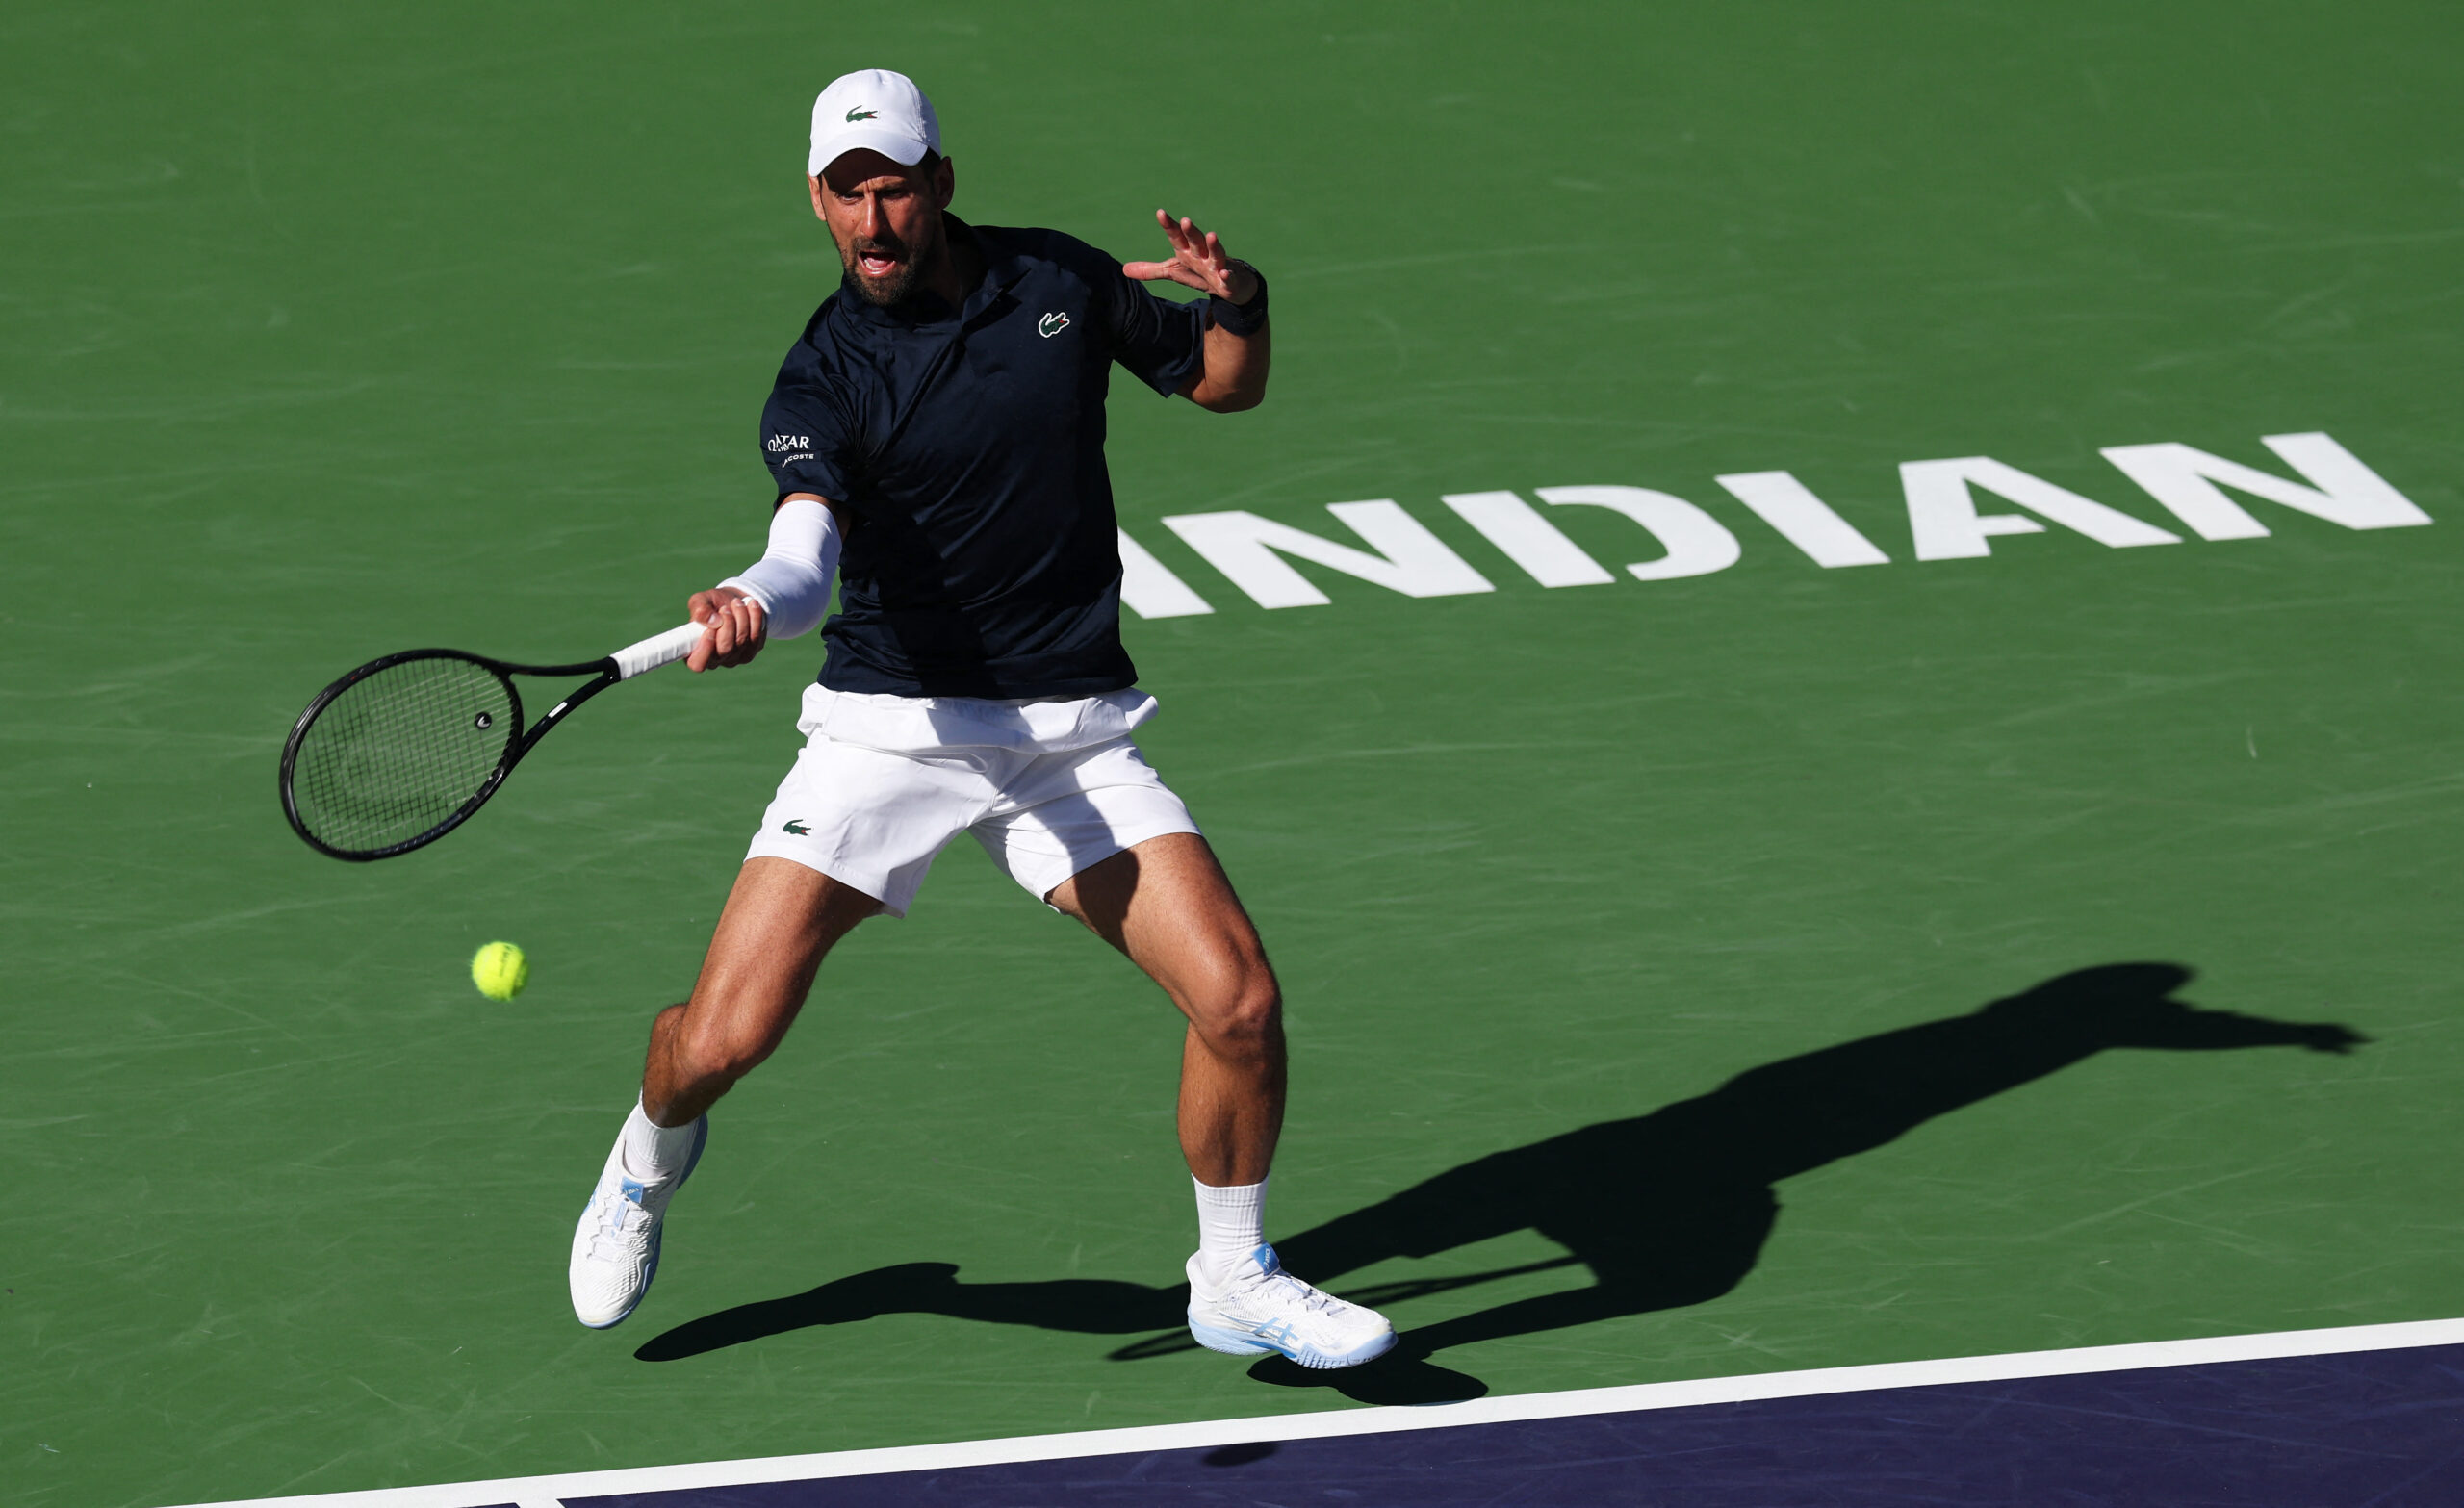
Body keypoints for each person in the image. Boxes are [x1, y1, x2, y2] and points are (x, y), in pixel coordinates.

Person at [565, 67, 1395, 1371]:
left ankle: (1234, 1277)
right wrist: (751, 600)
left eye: (895, 188)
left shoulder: (1057, 281)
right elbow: (803, 561)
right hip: (888, 733)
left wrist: (1241, 300)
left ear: (941, 183)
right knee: (718, 1043)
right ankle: (645, 1161)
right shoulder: (822, 377)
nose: (874, 219)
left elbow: (1226, 385)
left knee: (1238, 1002)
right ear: (816, 202)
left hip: (1071, 735)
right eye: (848, 194)